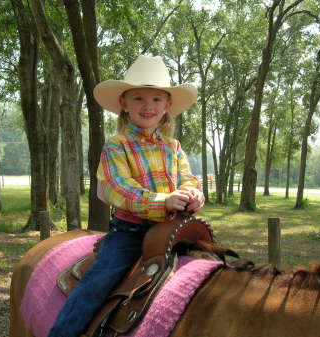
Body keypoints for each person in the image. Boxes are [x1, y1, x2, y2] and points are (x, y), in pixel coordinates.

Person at [48, 55, 204, 337]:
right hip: (130, 232)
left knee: (212, 270)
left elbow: (188, 178)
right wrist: (162, 201)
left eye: (157, 99)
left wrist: (193, 194)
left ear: (167, 106)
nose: (148, 106)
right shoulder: (116, 146)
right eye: (139, 98)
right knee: (96, 285)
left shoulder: (173, 146)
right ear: (124, 103)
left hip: (174, 229)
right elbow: (118, 188)